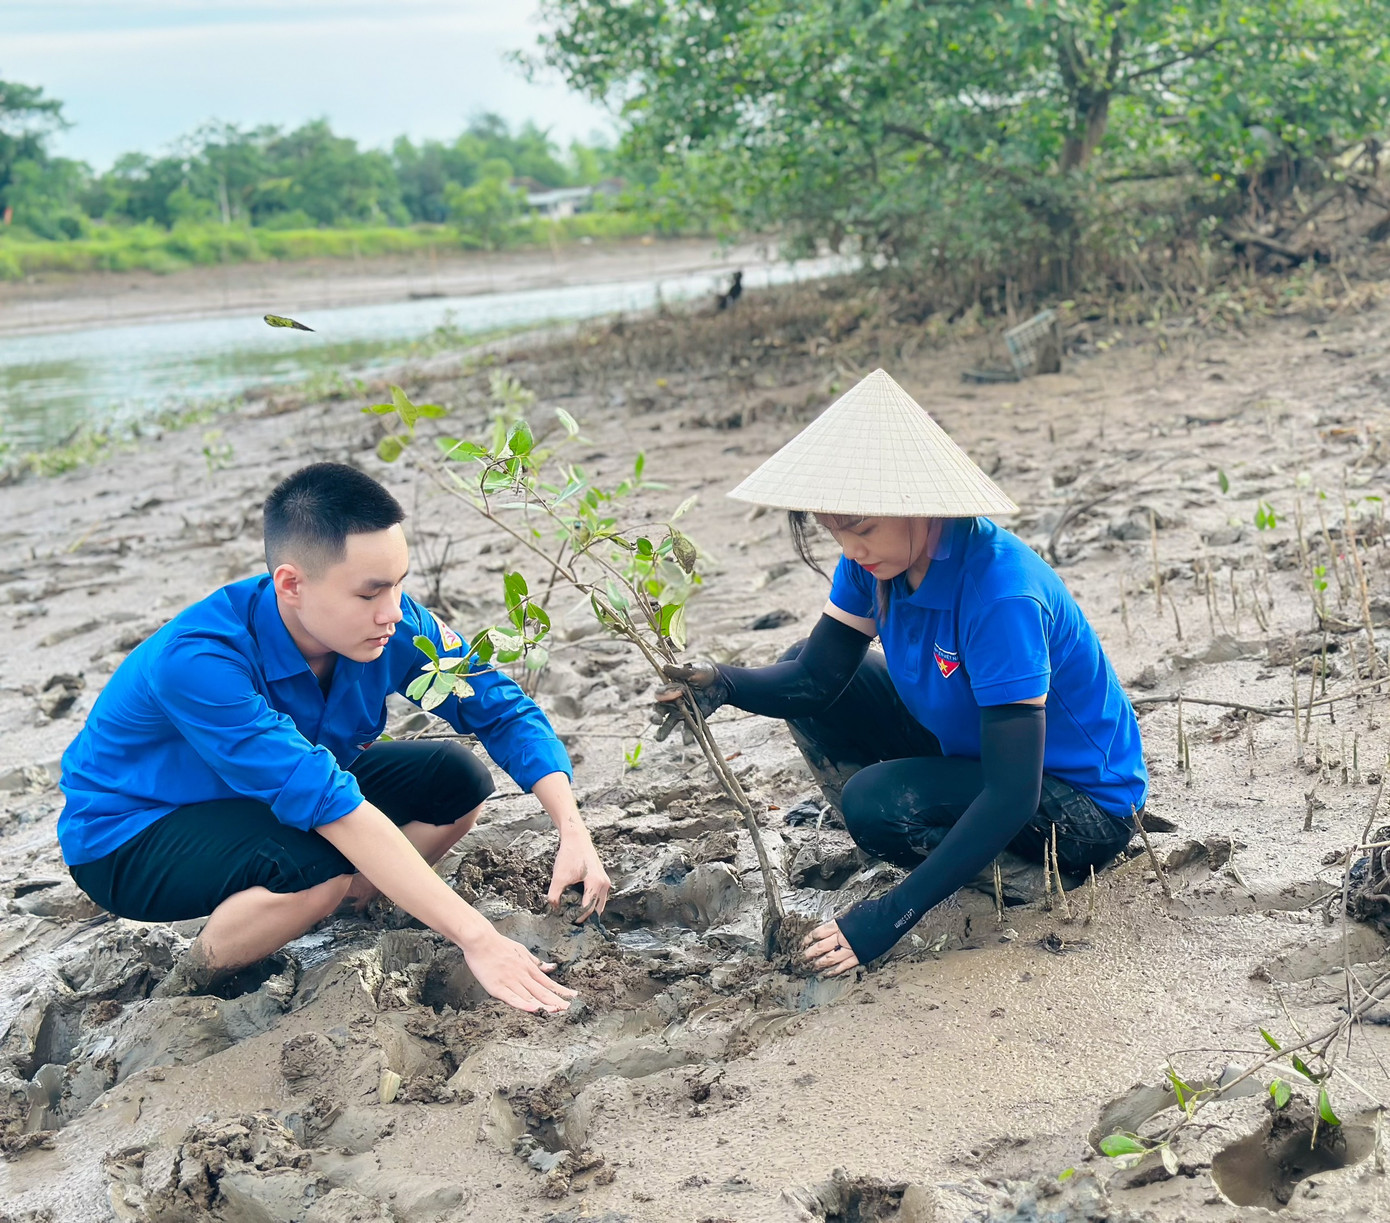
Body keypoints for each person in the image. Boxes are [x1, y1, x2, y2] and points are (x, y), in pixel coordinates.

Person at [59, 462, 610, 1014]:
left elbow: (497, 707)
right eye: (371, 593)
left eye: (398, 584)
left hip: (266, 797)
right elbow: (331, 804)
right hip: (132, 832)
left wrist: (571, 827)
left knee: (457, 780)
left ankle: (343, 903)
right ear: (292, 585)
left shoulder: (392, 624)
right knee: (314, 868)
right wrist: (480, 940)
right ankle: (193, 978)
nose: (393, 612)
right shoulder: (199, 660)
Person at [654, 369, 1147, 976]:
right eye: (836, 532)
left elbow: (1013, 792)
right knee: (820, 688)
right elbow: (814, 678)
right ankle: (910, 835)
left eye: (861, 529)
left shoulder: (1000, 595)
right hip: (977, 753)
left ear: (919, 504)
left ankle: (1011, 876)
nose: (851, 548)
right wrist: (723, 684)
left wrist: (888, 916)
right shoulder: (875, 563)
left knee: (876, 802)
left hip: (1079, 806)